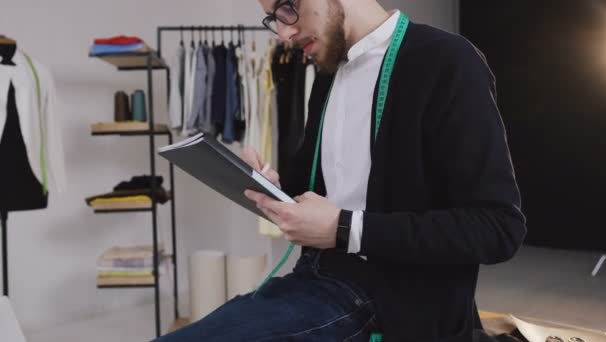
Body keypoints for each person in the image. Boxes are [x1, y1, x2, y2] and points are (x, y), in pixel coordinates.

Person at [156, 0, 527, 341]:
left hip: (391, 302)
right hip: (315, 278)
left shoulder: (446, 61)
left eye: (288, 7)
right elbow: (321, 189)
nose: (284, 32)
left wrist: (344, 228)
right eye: (274, 19)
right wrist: (276, 190)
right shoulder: (330, 71)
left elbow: (497, 228)